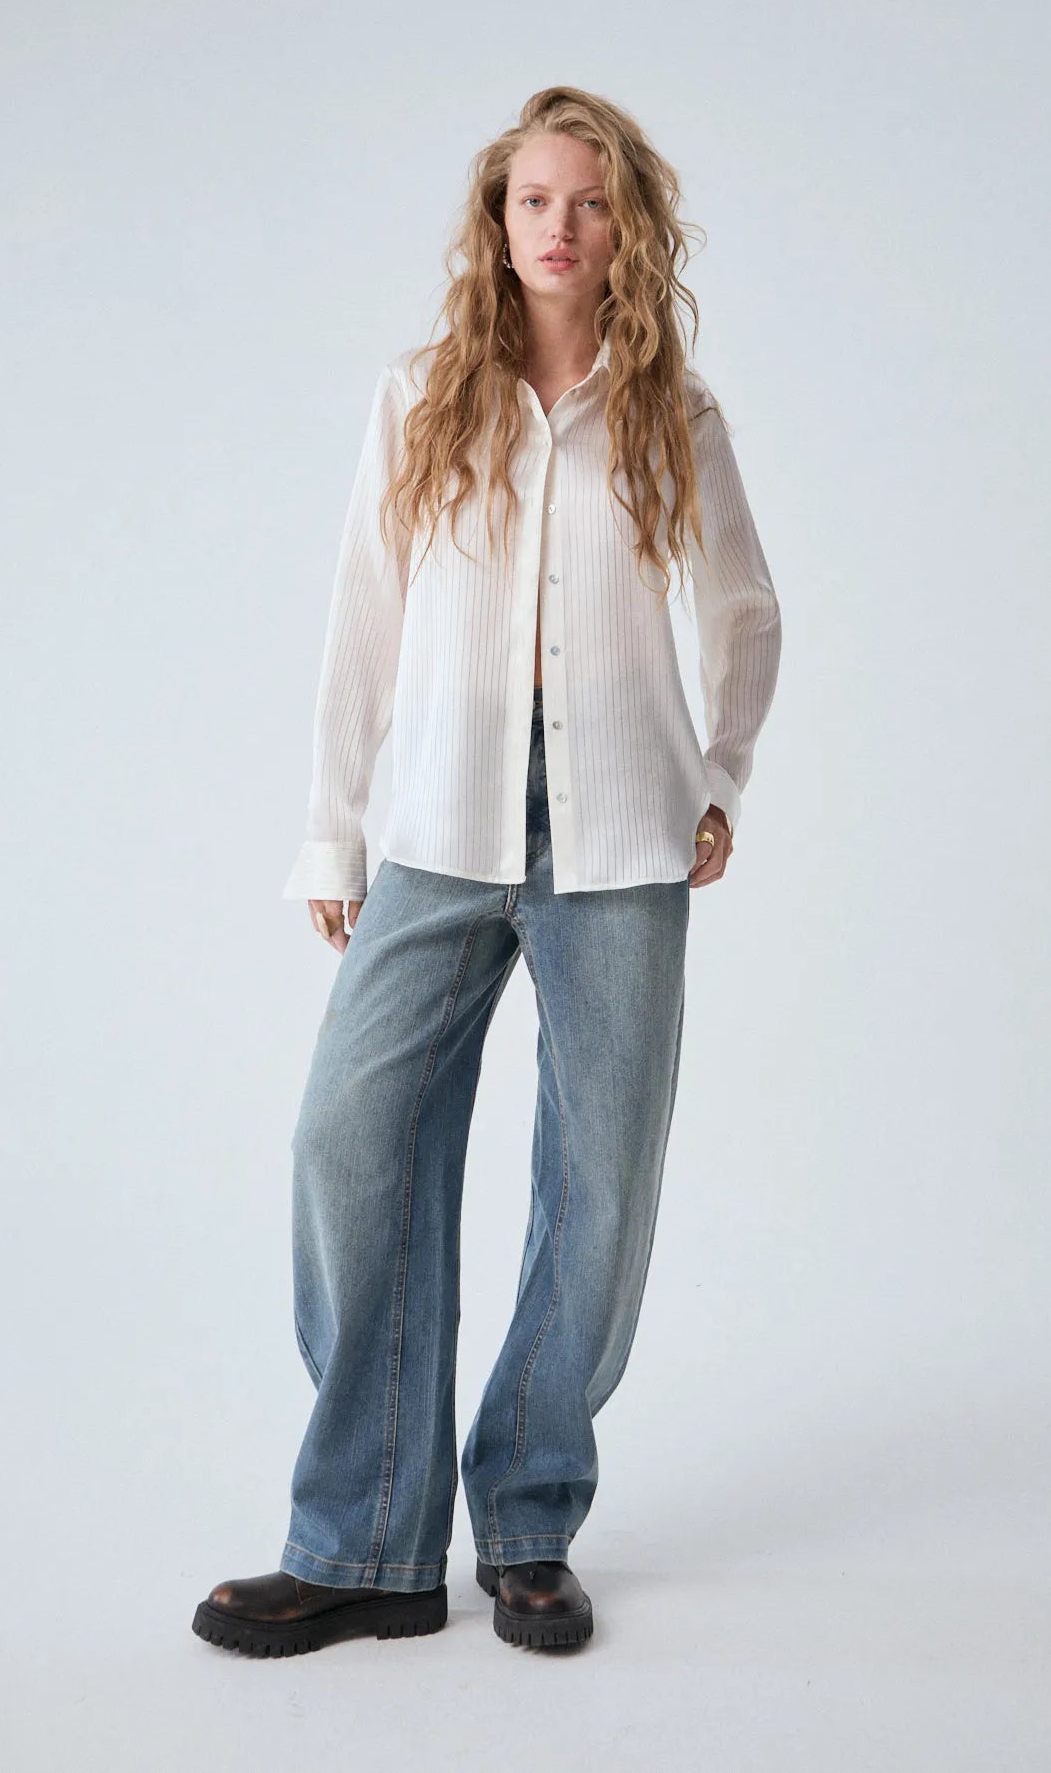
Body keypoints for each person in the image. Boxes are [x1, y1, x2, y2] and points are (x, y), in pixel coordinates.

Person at [192, 84, 781, 1659]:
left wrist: (718, 775)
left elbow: (744, 612)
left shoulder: (673, 413)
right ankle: (368, 1545)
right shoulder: (420, 397)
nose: (557, 226)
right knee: (349, 1141)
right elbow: (360, 619)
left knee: (600, 1191)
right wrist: (330, 830)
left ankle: (526, 1523)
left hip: (622, 839)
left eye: (587, 203)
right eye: (532, 199)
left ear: (625, 229)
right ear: (496, 219)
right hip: (439, 828)